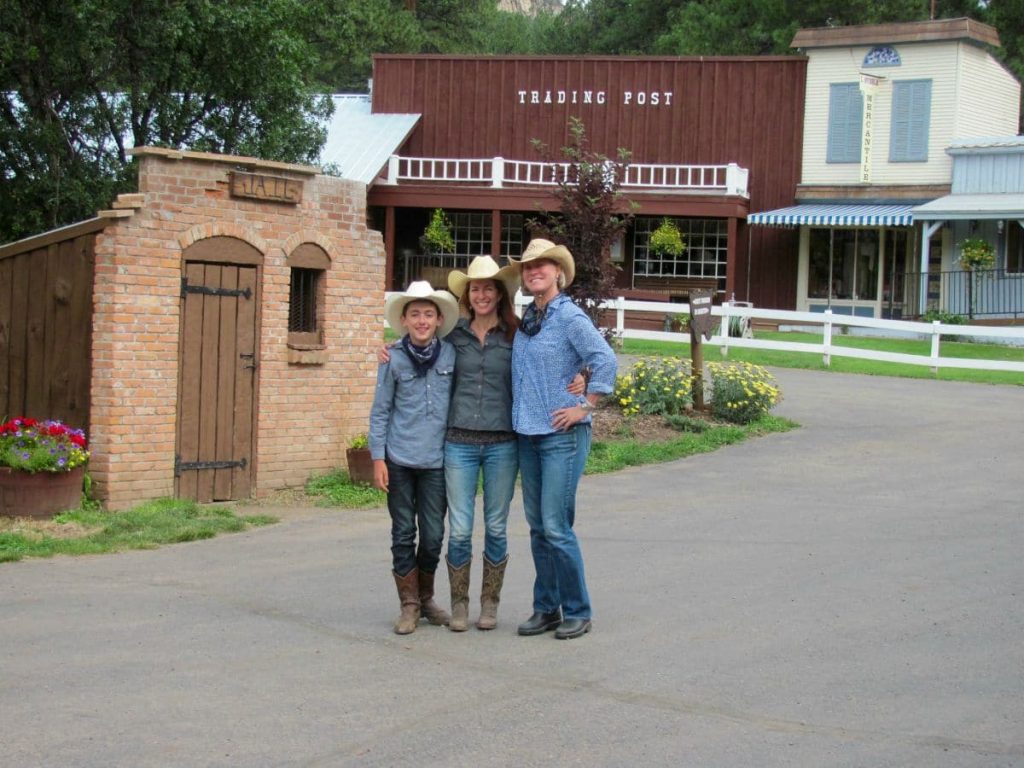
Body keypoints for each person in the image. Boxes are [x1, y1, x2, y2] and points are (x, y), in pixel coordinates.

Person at [509, 239, 617, 640]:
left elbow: (604, 358)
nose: (534, 271)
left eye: (543, 266)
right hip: (528, 434)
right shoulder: (529, 319)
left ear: (558, 272)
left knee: (556, 525)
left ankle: (577, 610)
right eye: (528, 267)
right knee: (538, 526)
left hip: (561, 434)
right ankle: (546, 607)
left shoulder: (569, 316)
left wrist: (585, 405)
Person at [369, 280, 459, 635]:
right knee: (403, 532)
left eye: (428, 314)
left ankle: (427, 598)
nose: (422, 321)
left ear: (439, 319)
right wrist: (378, 458)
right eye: (415, 314)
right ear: (404, 320)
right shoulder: (392, 359)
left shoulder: (452, 354)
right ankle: (408, 604)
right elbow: (380, 411)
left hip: (437, 462)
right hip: (400, 461)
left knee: (434, 534)